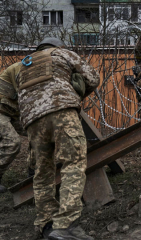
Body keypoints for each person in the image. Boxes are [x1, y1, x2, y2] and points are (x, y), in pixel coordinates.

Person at [15, 37, 100, 239]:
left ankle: (46, 226)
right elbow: (93, 78)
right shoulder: (61, 53)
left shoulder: (23, 65)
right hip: (62, 110)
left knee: (42, 172)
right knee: (73, 163)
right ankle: (66, 225)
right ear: (58, 46)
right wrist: (77, 93)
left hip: (32, 120)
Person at [0, 62, 33, 194]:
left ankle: (34, 170)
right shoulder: (24, 66)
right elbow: (27, 93)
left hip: (10, 110)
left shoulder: (39, 67)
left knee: (38, 132)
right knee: (11, 143)